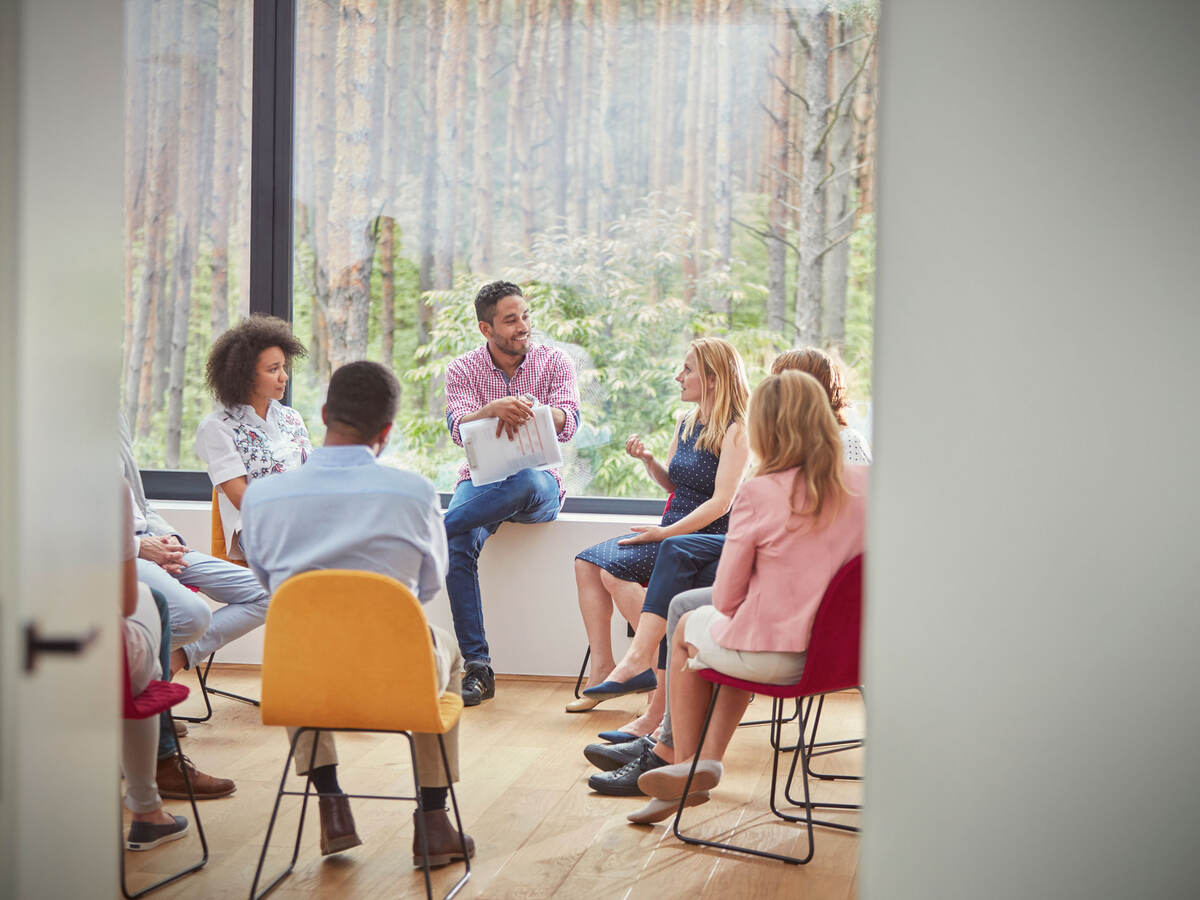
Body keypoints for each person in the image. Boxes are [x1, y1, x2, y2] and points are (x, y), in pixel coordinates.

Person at [584, 348, 872, 796]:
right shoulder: (871, 483)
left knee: (689, 619)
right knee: (688, 601)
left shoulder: (762, 490)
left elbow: (731, 597)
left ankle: (668, 752)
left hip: (783, 651)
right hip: (850, 649)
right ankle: (694, 761)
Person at [241, 361, 475, 865]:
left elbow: (268, 584)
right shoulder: (413, 493)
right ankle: (433, 820)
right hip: (399, 677)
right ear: (386, 433)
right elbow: (429, 585)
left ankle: (330, 802)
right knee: (449, 651)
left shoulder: (262, 496)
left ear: (324, 414)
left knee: (298, 637)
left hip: (299, 682)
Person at [572, 338, 750, 735]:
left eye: (687, 369)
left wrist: (666, 533)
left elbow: (721, 503)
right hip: (670, 526)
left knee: (613, 571)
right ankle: (606, 668)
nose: (678, 376)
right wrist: (650, 461)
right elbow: (674, 485)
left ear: (714, 378)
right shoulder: (686, 422)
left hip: (702, 537)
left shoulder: (737, 431)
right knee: (587, 562)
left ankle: (647, 670)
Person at [442, 281, 580, 706]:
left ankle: (430, 530)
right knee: (458, 543)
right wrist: (490, 411)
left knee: (523, 481)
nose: (523, 325)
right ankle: (478, 669)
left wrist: (536, 411)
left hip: (536, 484)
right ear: (487, 329)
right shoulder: (462, 369)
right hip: (481, 481)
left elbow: (570, 419)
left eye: (524, 315)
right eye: (510, 319)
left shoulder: (555, 360)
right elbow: (456, 428)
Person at [120, 412, 258, 800]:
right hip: (122, 551)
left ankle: (165, 672)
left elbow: (139, 503)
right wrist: (140, 548)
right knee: (188, 614)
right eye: (274, 369)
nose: (283, 377)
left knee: (269, 590)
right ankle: (153, 734)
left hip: (152, 540)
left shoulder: (114, 416)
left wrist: (171, 541)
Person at [194, 315, 311, 559]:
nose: (284, 377)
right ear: (245, 375)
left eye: (283, 367)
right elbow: (244, 500)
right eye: (273, 369)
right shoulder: (218, 428)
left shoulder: (292, 418)